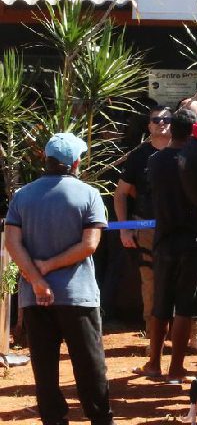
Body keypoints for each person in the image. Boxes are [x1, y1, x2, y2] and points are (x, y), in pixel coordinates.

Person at [4, 132, 115, 425]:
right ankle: (101, 419)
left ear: (46, 159)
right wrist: (49, 266)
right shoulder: (89, 194)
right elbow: (89, 244)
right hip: (78, 296)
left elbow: (12, 242)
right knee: (90, 365)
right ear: (76, 163)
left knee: (44, 368)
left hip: (35, 298)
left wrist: (37, 280)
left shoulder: (22, 196)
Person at [113, 105, 197, 355]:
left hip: (190, 228)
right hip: (149, 230)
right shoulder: (141, 156)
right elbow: (121, 193)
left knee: (194, 282)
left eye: (167, 119)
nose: (161, 123)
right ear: (148, 126)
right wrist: (125, 228)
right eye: (156, 119)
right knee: (152, 284)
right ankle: (154, 339)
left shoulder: (192, 155)